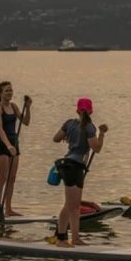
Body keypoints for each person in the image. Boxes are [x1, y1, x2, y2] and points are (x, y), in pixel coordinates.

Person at [51, 97, 107, 247]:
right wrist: (102, 133)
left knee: (73, 206)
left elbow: (56, 138)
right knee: (70, 205)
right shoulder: (90, 127)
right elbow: (96, 148)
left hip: (69, 165)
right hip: (74, 167)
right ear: (91, 111)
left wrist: (68, 137)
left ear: (77, 111)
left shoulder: (69, 123)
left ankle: (75, 238)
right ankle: (61, 239)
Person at [0, 81, 31, 217]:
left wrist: (28, 107)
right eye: (7, 91)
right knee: (2, 178)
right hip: (3, 146)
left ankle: (8, 209)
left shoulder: (14, 106)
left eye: (11, 90)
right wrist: (8, 145)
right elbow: (0, 129)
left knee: (12, 179)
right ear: (0, 93)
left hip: (15, 145)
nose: (10, 93)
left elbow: (25, 122)